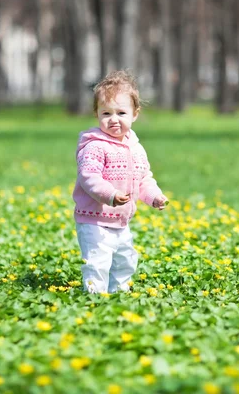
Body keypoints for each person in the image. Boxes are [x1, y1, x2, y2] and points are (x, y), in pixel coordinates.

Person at [72, 70, 168, 294]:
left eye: (121, 113)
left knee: (125, 260)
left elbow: (144, 177)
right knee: (98, 261)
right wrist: (110, 195)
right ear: (97, 114)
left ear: (135, 114)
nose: (113, 119)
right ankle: (95, 298)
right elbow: (89, 177)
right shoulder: (95, 146)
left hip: (121, 220)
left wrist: (154, 196)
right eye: (106, 113)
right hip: (94, 220)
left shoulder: (135, 147)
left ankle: (119, 294)